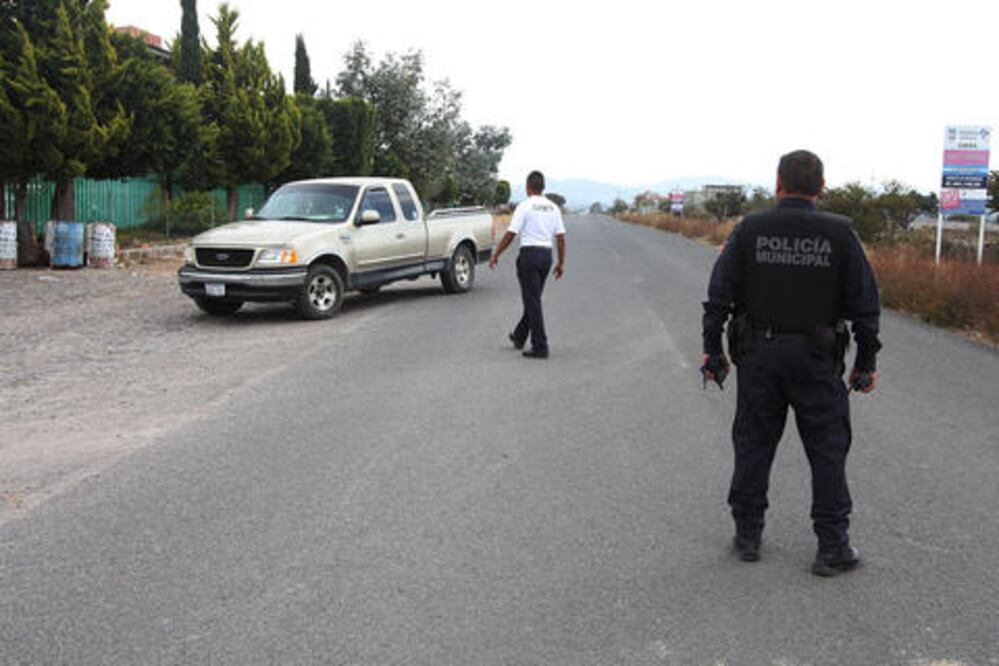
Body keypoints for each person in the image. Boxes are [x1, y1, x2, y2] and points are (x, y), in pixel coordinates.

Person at [701, 150, 881, 577]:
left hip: (759, 358)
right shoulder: (841, 236)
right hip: (818, 360)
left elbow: (718, 297)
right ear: (821, 188)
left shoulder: (749, 231)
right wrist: (866, 363)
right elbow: (865, 306)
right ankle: (833, 546)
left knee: (753, 443)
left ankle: (748, 535)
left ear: (777, 184)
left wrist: (713, 351)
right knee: (827, 450)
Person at [489, 170, 566, 359]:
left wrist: (496, 254)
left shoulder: (525, 206)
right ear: (543, 187)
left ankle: (540, 346)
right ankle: (520, 336)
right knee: (534, 299)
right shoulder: (553, 208)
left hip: (529, 256)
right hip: (546, 257)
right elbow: (561, 237)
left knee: (532, 301)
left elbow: (511, 233)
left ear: (527, 187)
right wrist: (561, 262)